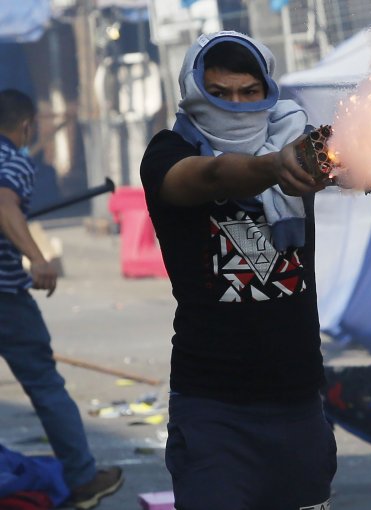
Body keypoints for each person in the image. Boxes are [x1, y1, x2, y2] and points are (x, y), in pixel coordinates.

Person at [140, 32, 336, 509]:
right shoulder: (169, 153)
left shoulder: (298, 140)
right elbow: (212, 176)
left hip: (299, 402)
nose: (236, 104)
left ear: (268, 91)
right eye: (220, 92)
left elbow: (360, 161)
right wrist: (275, 166)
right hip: (213, 409)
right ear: (192, 90)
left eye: (250, 92)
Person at [0, 89, 124, 508]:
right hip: (5, 300)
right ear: (27, 126)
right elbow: (3, 203)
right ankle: (81, 477)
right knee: (45, 385)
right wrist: (37, 258)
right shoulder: (13, 159)